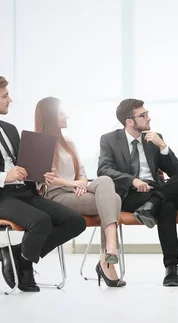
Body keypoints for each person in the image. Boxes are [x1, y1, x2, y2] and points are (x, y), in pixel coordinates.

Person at [0, 75, 86, 292]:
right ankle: (25, 267)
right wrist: (5, 176)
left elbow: (23, 165)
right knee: (40, 220)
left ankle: (16, 254)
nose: (10, 100)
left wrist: (40, 173)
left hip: (25, 192)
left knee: (76, 222)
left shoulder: (10, 129)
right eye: (5, 96)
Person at [98, 98, 178, 287]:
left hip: (157, 189)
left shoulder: (154, 138)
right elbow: (104, 169)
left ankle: (153, 204)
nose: (148, 118)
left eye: (147, 113)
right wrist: (132, 180)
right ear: (129, 121)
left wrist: (163, 147)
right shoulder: (109, 139)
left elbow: (176, 173)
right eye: (143, 115)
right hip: (131, 193)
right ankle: (172, 268)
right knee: (167, 207)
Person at [35, 97, 125, 288]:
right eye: (61, 113)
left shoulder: (69, 142)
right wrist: (73, 183)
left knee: (106, 181)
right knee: (114, 200)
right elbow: (47, 179)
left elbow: (83, 173)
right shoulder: (39, 143)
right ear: (49, 116)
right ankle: (107, 258)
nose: (67, 116)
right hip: (57, 196)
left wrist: (82, 184)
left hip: (77, 191)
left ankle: (109, 250)